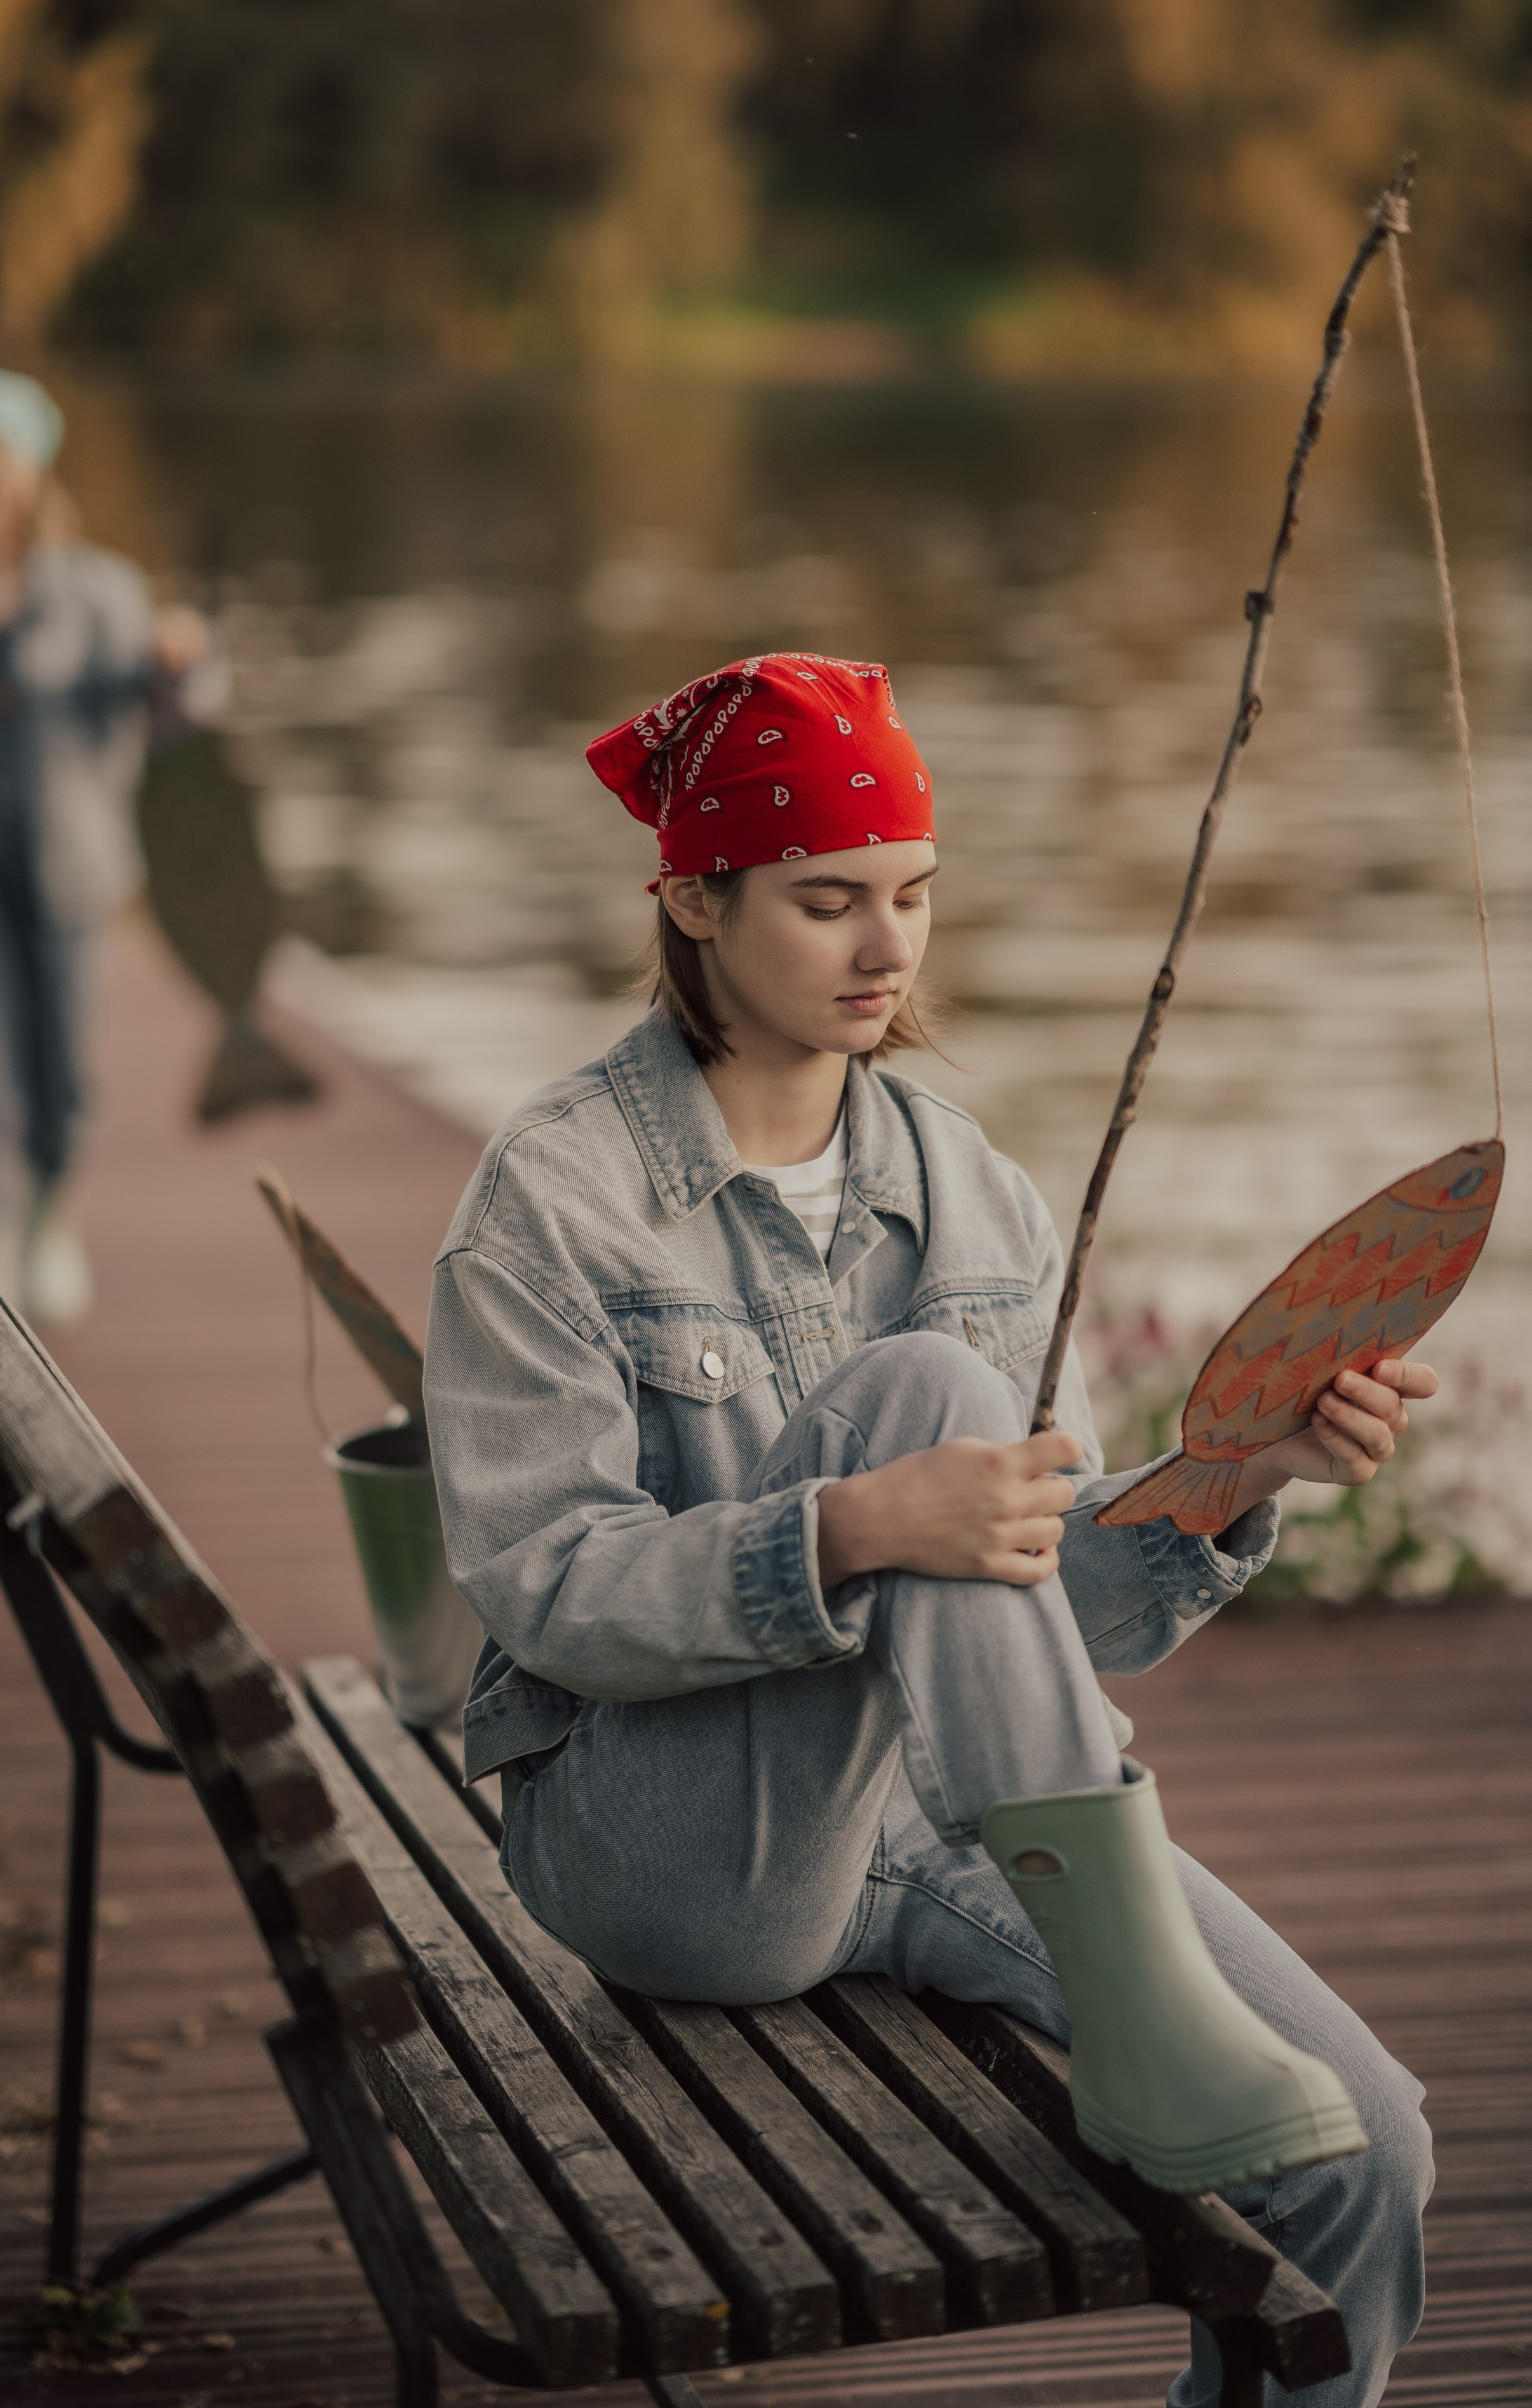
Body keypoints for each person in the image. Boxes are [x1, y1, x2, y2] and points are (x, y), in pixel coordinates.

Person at [424, 652, 1436, 2406]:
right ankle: (1142, 2004)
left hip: (937, 1821)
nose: (885, 946)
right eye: (826, 901)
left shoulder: (973, 1191)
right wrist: (846, 1531)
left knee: (1366, 2158)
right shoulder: (555, 1197)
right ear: (692, 898)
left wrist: (1243, 1473)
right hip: (678, 1848)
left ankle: (1148, 2015)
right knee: (926, 1395)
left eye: (911, 894)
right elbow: (554, 1592)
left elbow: (1059, 1618)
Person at [0, 365, 223, 1322]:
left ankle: (52, 1216)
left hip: (67, 868)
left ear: (31, 468)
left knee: (65, 1071)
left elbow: (178, 717)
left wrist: (184, 659)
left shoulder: (98, 590)